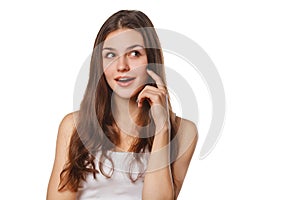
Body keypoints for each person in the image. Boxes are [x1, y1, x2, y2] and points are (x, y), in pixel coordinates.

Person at [47, 10, 198, 200]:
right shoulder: (74, 125)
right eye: (110, 55)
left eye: (134, 53)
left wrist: (162, 127)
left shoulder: (183, 131)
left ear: (151, 59)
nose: (122, 66)